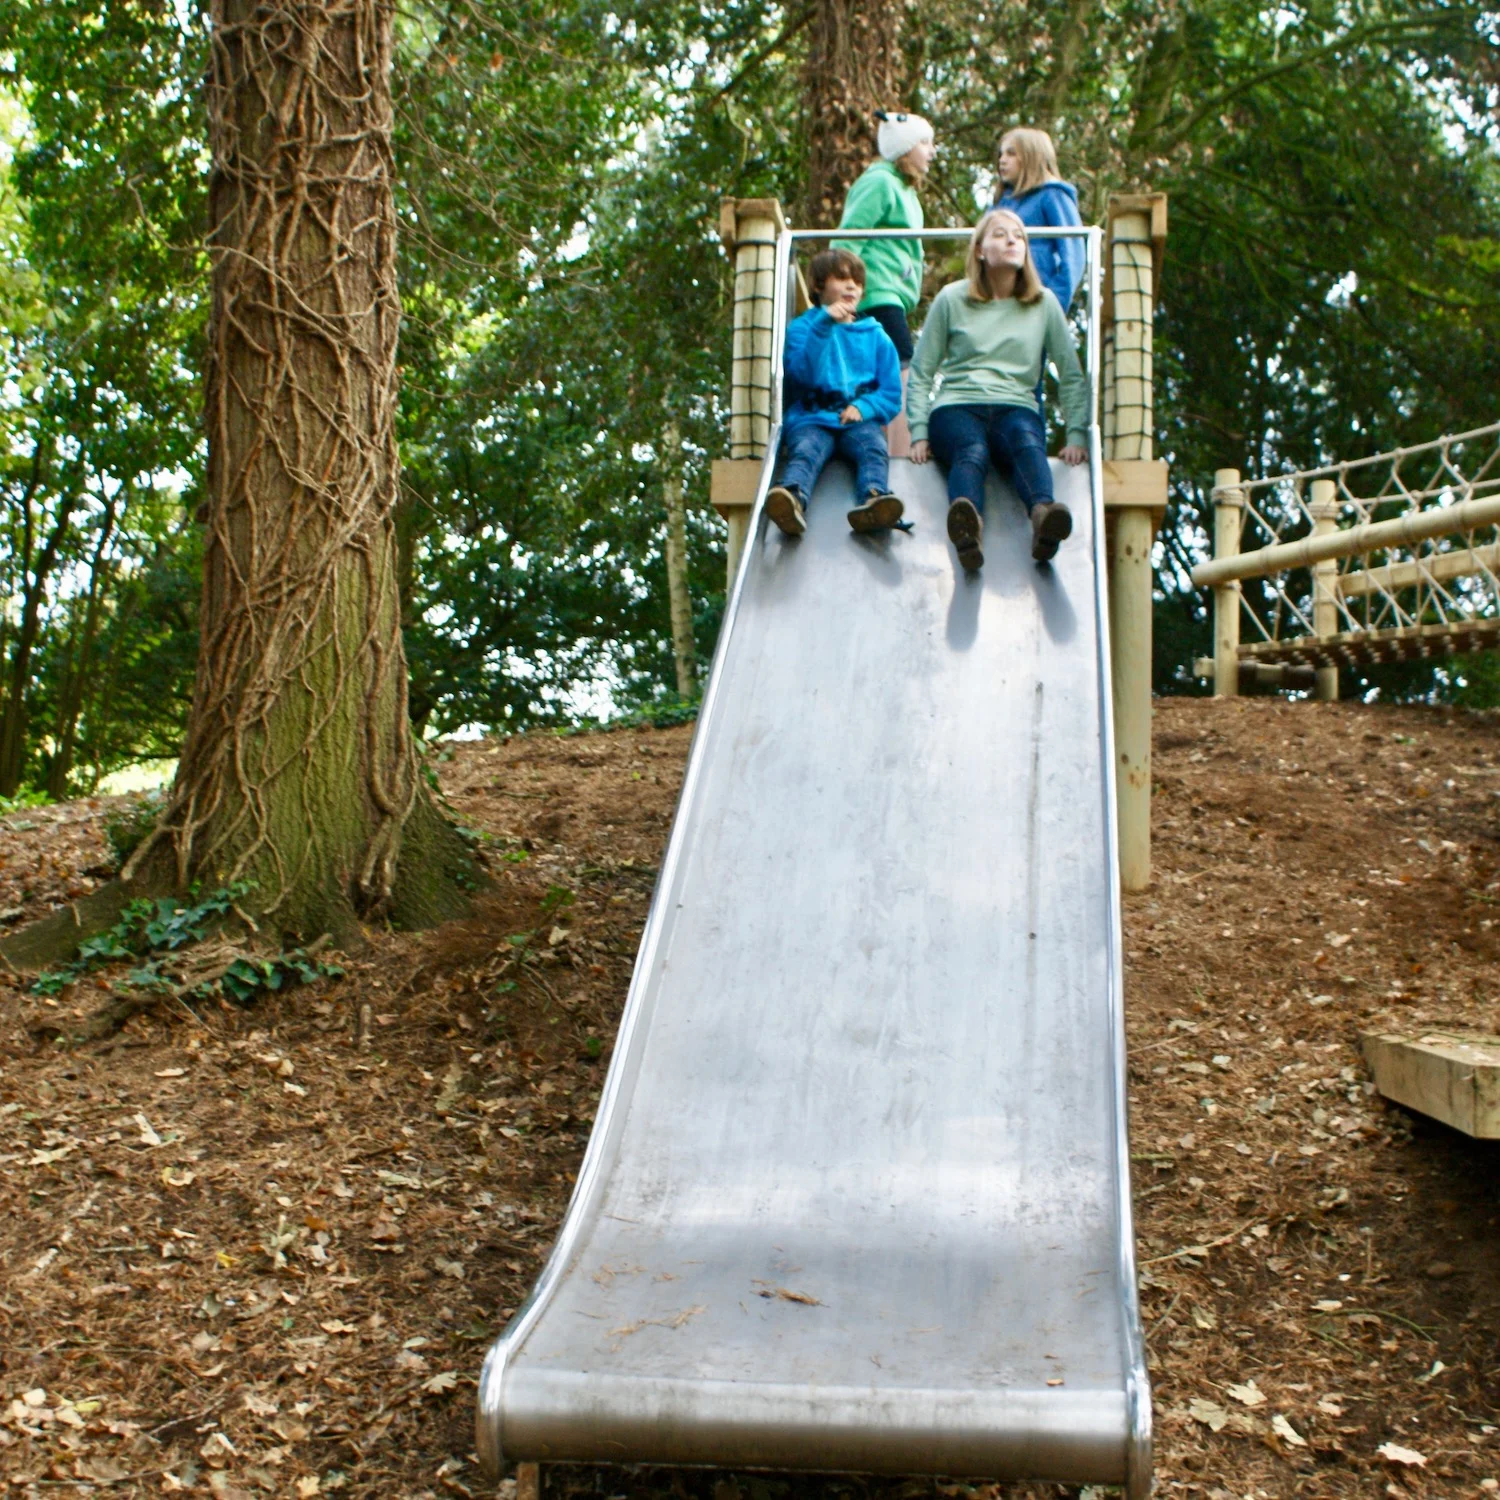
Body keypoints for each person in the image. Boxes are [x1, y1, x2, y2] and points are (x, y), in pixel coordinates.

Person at [907, 209, 1089, 569]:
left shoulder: (1043, 304)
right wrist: (919, 430)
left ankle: (1043, 517)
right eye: (1000, 234)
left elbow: (1069, 373)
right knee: (971, 449)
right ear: (979, 250)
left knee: (1025, 439)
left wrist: (1077, 434)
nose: (1011, 241)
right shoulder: (951, 299)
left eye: (1018, 236)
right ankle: (967, 526)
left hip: (1015, 405)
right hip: (957, 405)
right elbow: (923, 369)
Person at [765, 247, 904, 537]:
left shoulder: (876, 335)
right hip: (812, 418)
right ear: (818, 286)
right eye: (841, 278)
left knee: (873, 448)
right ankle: (791, 500)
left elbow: (891, 392)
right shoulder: (804, 328)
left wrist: (865, 407)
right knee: (805, 451)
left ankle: (875, 500)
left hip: (858, 420)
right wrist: (823, 326)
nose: (851, 285)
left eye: (856, 281)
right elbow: (800, 376)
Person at [828, 110, 935, 367]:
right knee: (902, 361)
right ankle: (904, 410)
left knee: (889, 365)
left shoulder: (906, 190)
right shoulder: (880, 182)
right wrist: (837, 292)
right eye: (924, 143)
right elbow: (850, 236)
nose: (932, 151)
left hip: (894, 293)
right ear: (905, 148)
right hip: (876, 291)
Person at [993, 127, 1084, 312]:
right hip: (996, 303)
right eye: (1001, 154)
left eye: (1011, 154)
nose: (1002, 160)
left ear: (1031, 157)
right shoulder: (1001, 202)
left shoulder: (1053, 195)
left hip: (1033, 302)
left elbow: (1073, 255)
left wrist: (1053, 304)